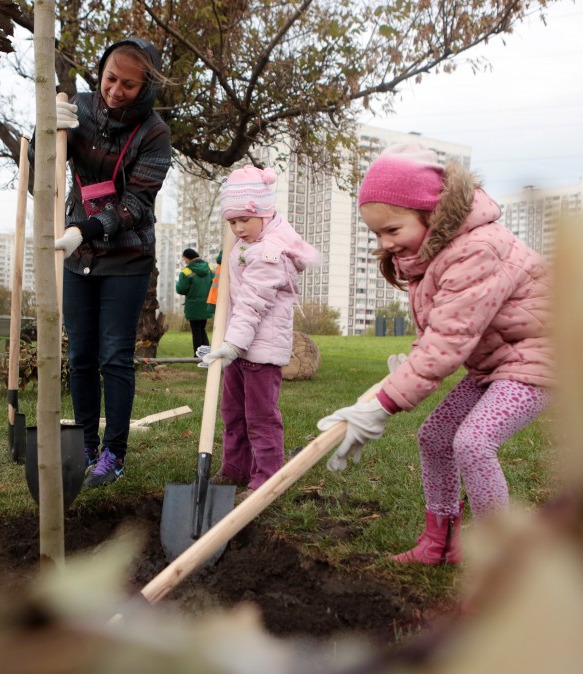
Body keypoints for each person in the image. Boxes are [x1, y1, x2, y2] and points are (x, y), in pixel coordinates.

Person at [316, 143, 554, 565]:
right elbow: (437, 334)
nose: (385, 243)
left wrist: (385, 405)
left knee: (474, 441)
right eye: (376, 234)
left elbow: (447, 341)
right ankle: (439, 542)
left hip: (539, 360)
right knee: (435, 436)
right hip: (495, 364)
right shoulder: (430, 253)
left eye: (392, 230)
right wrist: (393, 382)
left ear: (432, 215)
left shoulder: (477, 249)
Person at [38, 37, 173, 487]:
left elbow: (138, 202)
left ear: (145, 87)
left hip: (127, 254)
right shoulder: (76, 108)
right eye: (110, 79)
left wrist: (88, 228)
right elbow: (45, 165)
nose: (115, 90)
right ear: (101, 72)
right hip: (80, 256)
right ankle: (86, 446)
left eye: (129, 85)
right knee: (80, 356)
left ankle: (114, 453)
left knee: (114, 356)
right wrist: (44, 132)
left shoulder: (154, 133)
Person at [203, 166, 320, 500]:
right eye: (232, 221)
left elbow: (253, 303)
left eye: (245, 219)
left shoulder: (270, 252)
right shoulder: (244, 243)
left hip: (260, 350)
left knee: (260, 417)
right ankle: (235, 468)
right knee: (232, 412)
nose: (239, 228)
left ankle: (266, 478)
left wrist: (232, 344)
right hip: (238, 346)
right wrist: (229, 343)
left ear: (265, 213)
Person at [175, 247, 214, 355]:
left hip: (193, 305)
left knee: (196, 330)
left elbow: (181, 289)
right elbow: (214, 285)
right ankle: (206, 353)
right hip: (207, 304)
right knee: (202, 329)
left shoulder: (186, 271)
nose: (184, 261)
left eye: (184, 259)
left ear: (188, 258)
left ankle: (197, 354)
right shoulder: (210, 268)